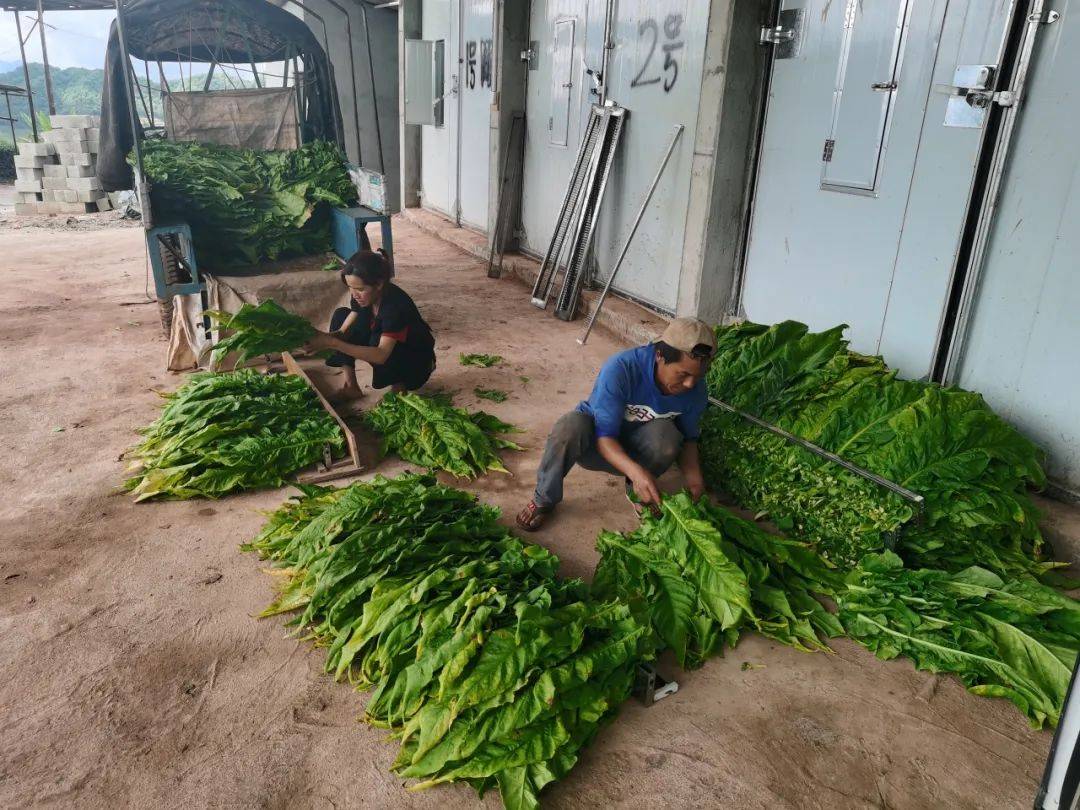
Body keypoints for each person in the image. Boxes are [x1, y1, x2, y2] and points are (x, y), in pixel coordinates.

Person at [516, 317, 716, 531]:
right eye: (683, 374)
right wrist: (637, 472)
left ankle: (636, 490)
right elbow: (605, 438)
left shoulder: (696, 392)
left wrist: (695, 483)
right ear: (659, 356)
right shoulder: (622, 369)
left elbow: (689, 439)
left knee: (668, 436)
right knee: (569, 426)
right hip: (597, 445)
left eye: (698, 376)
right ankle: (544, 499)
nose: (689, 384)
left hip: (639, 450)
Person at [305, 249, 436, 398]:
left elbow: (381, 355)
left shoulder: (395, 307)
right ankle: (351, 386)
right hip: (387, 348)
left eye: (360, 289)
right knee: (341, 314)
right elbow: (343, 332)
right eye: (350, 287)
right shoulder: (362, 296)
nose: (354, 294)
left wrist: (332, 343)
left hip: (416, 363)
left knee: (376, 340)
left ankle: (399, 389)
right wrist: (320, 338)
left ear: (379, 284)